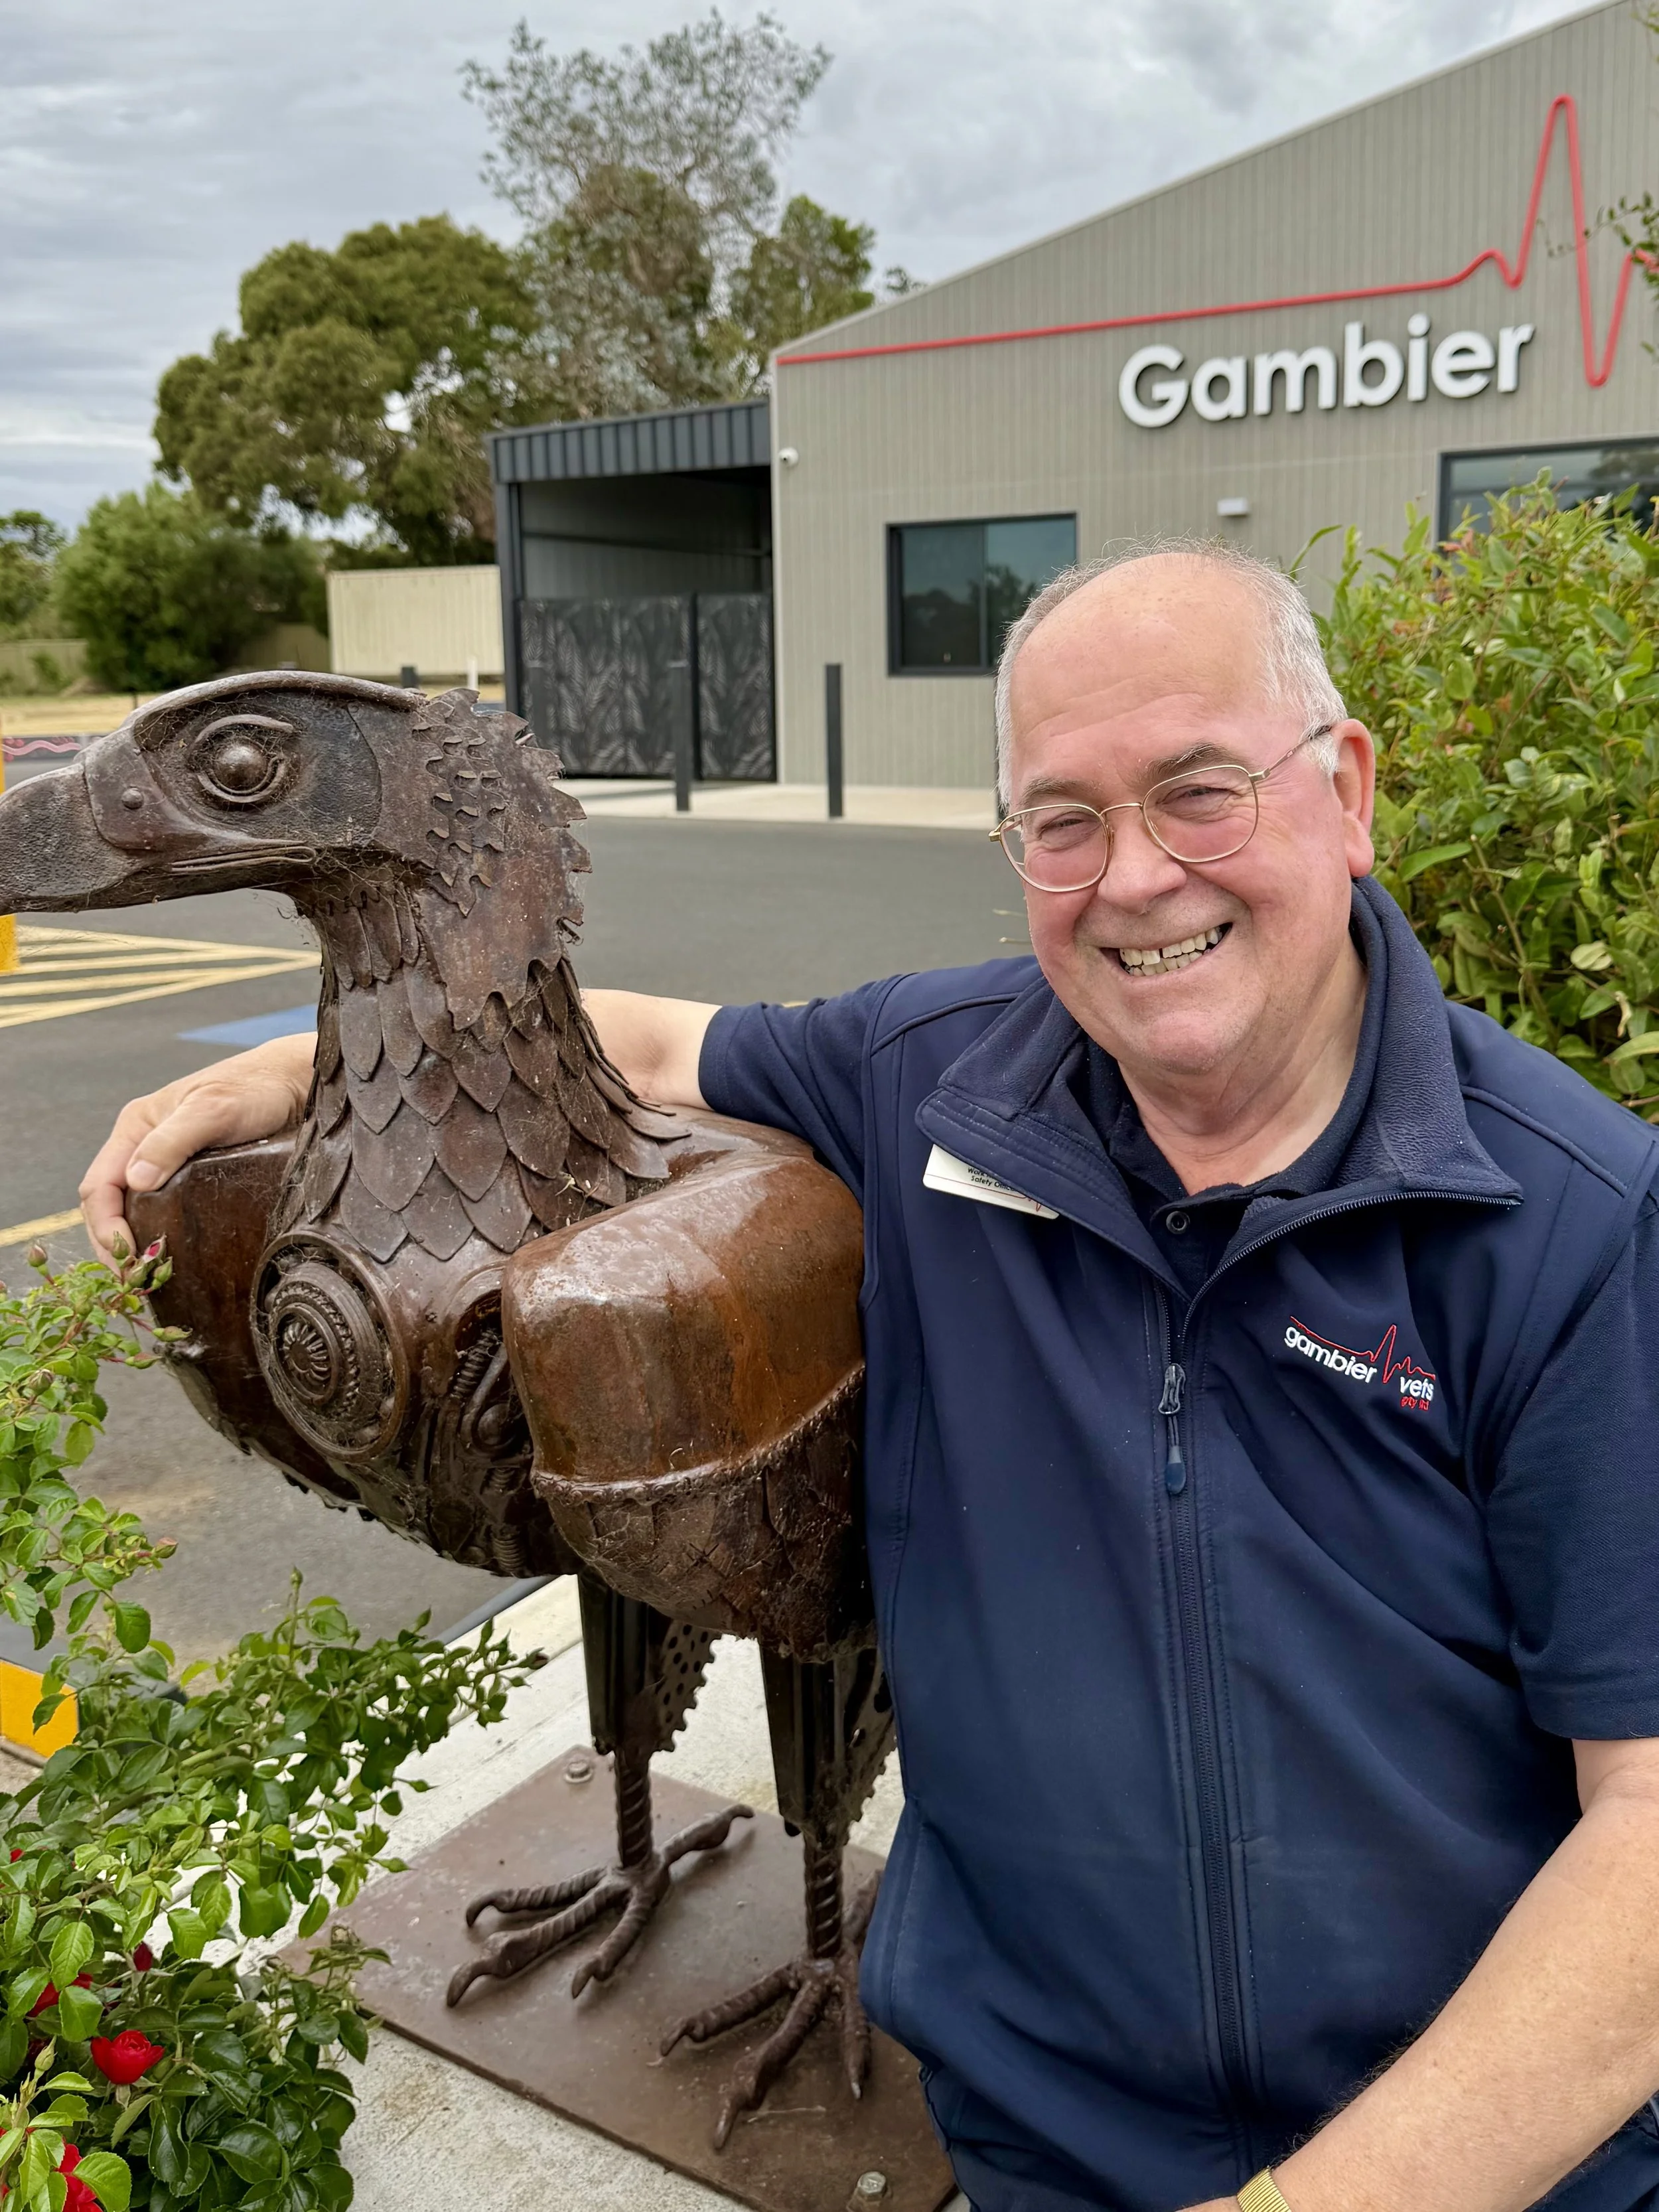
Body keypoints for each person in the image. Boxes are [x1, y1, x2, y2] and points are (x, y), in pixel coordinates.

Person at [80, 544, 1659, 2212]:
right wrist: (288, 1073)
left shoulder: (1564, 1222)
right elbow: (654, 1045)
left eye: (1199, 792)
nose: (1130, 877)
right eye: (1059, 819)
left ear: (1342, 793)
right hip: (1033, 2138)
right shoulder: (931, 1078)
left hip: (1471, 2169)